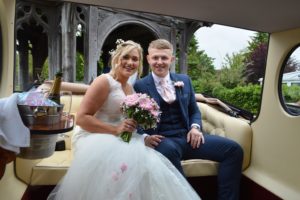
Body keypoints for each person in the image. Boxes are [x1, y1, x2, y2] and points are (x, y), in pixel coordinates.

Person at [47, 40, 201, 200]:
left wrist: (143, 136)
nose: (130, 62)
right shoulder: (104, 81)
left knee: (152, 161)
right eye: (126, 57)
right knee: (126, 162)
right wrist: (115, 130)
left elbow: (129, 123)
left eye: (135, 59)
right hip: (95, 136)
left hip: (122, 136)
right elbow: (81, 119)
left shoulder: (130, 88)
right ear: (116, 58)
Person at [134, 39, 243, 200]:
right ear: (148, 59)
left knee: (234, 150)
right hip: (163, 140)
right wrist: (145, 137)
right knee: (168, 150)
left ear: (171, 60)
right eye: (155, 58)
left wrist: (195, 128)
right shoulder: (139, 86)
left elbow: (194, 110)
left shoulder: (184, 80)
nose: (159, 62)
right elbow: (133, 119)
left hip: (188, 137)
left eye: (164, 58)